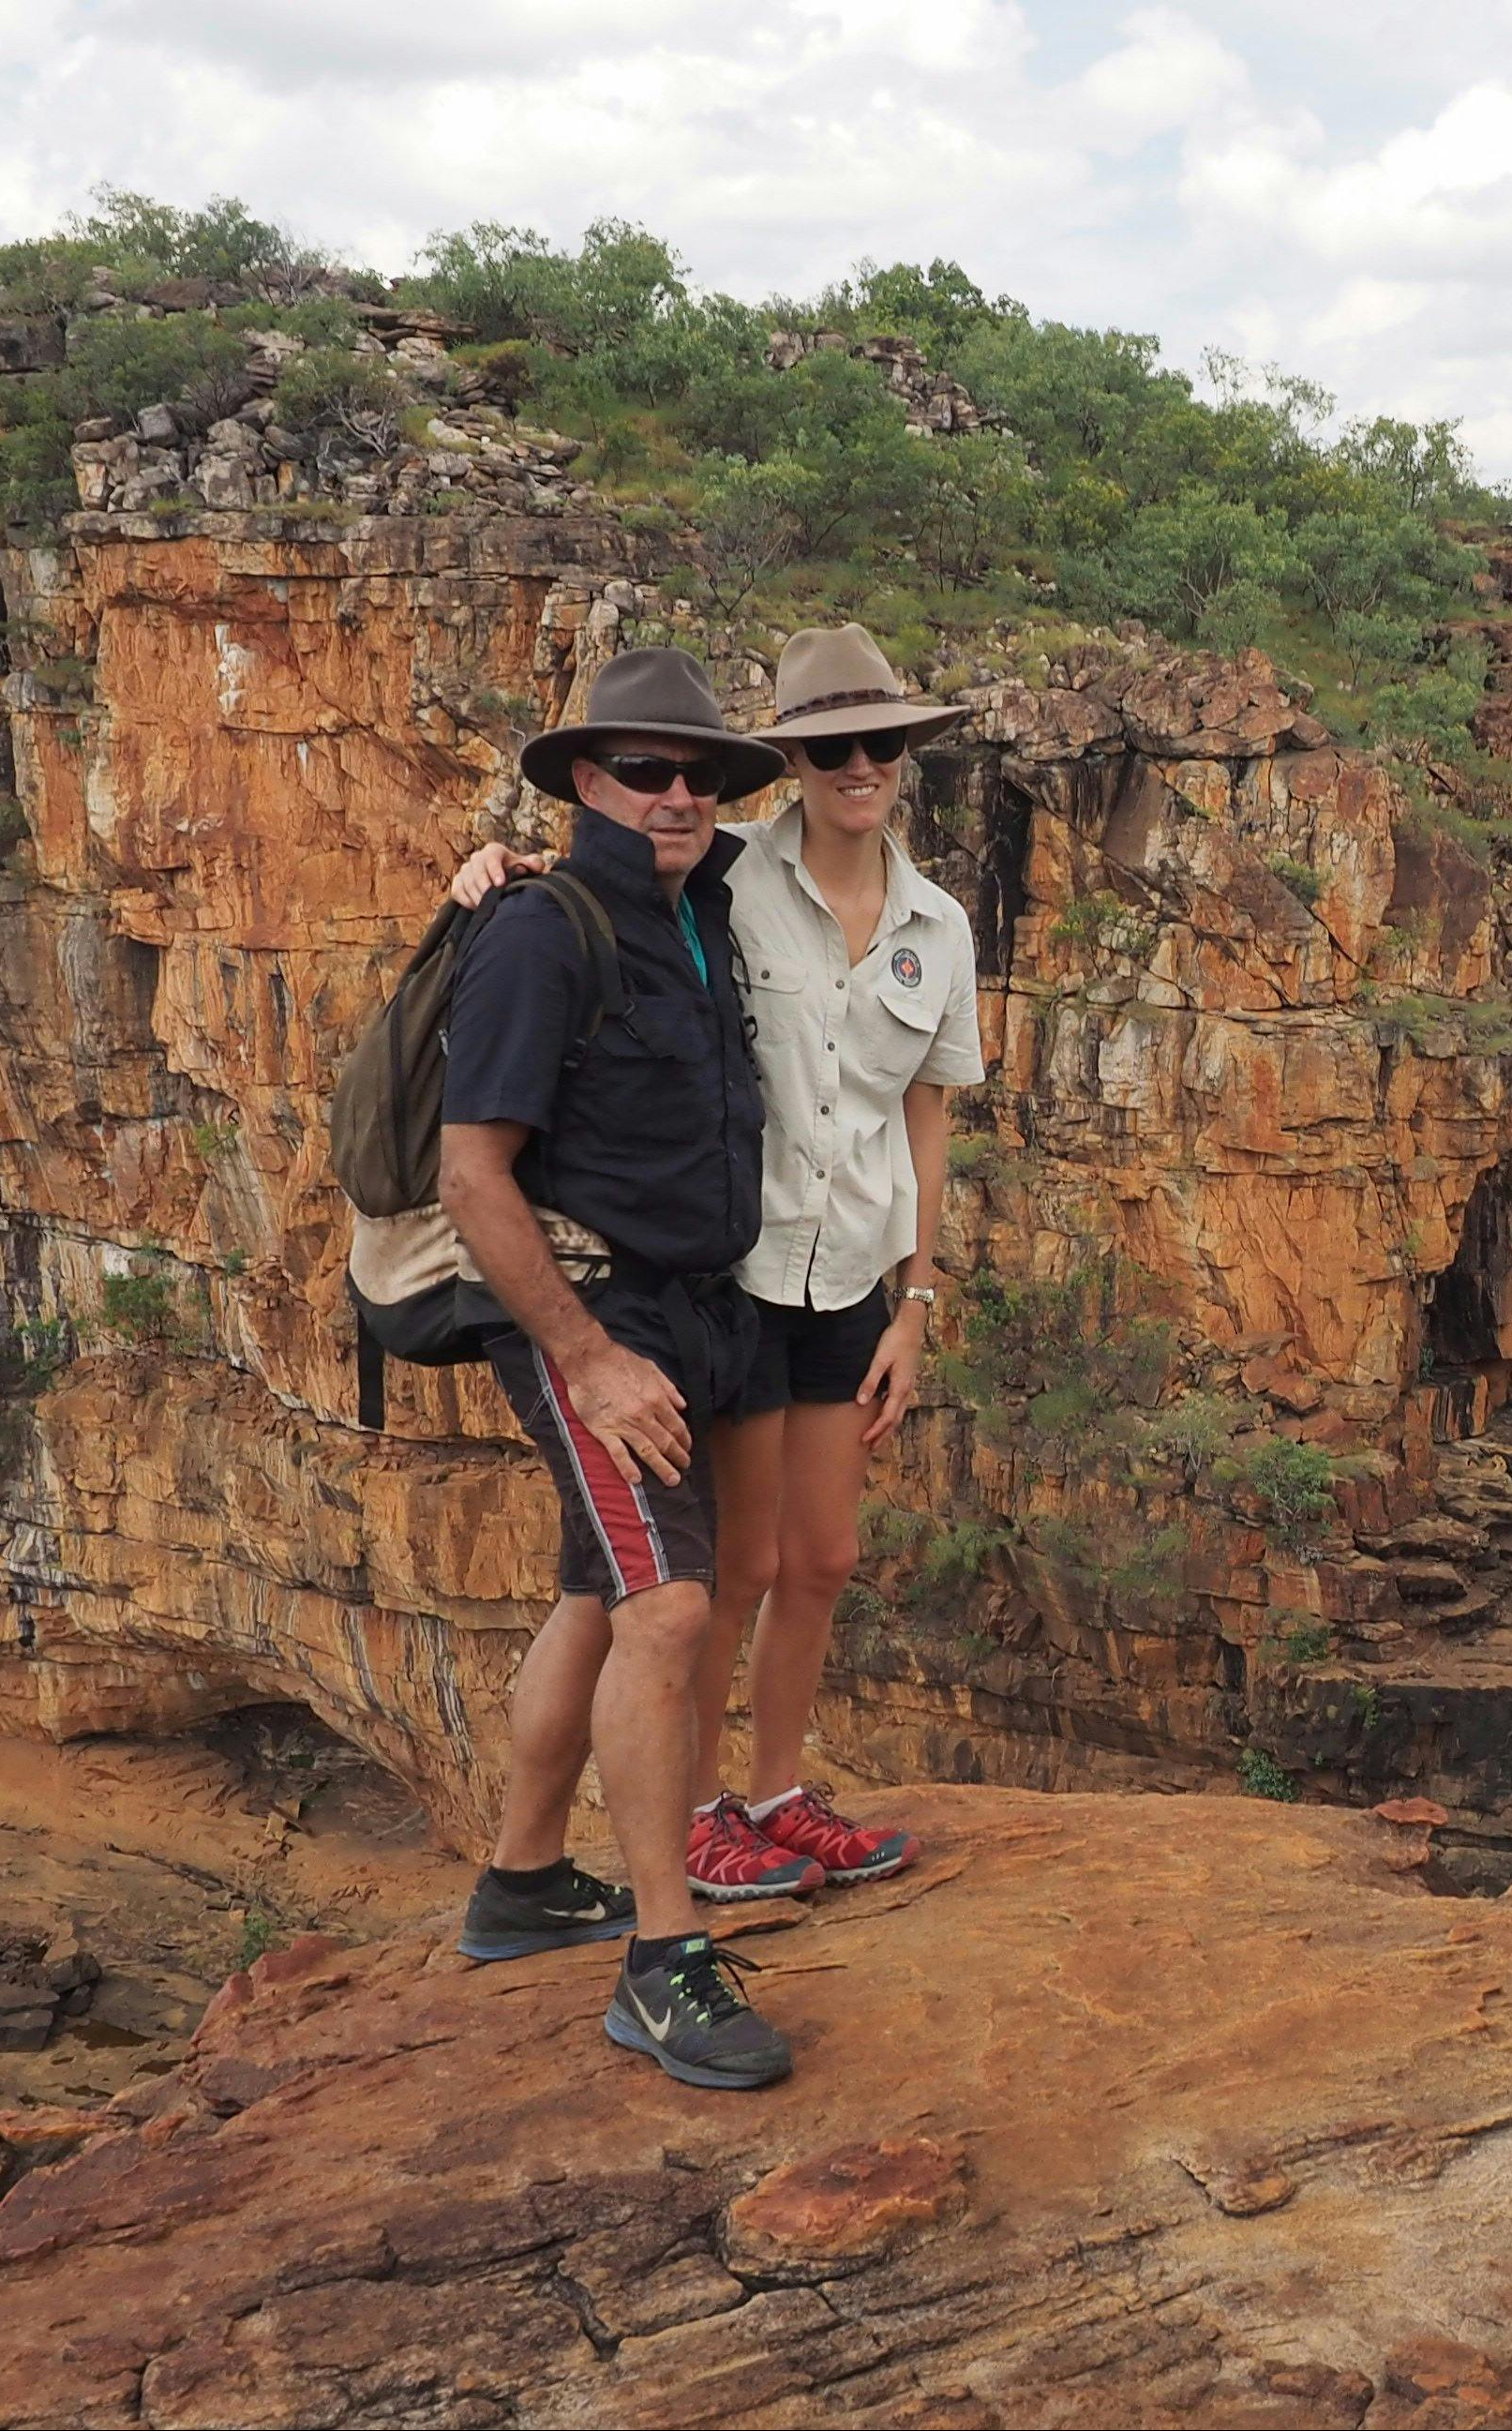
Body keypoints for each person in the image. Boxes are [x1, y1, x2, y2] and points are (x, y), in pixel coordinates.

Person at [455, 624, 981, 1902]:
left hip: (854, 1273)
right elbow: (596, 886)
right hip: (735, 1280)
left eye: (882, 741)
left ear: (906, 754)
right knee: (720, 1571)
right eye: (831, 746)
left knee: (822, 1559)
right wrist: (488, 867)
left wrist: (920, 1295)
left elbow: (927, 1110)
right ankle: (691, 1818)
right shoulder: (729, 881)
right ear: (793, 761)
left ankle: (778, 1789)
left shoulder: (938, 925)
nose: (861, 765)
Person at [436, 645, 798, 2091]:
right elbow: (474, 1176)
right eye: (643, 768)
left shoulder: (698, 904)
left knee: (598, 1589)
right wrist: (586, 1361)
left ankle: (524, 1884)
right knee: (671, 1607)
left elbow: (836, 839)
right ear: (585, 778)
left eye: (699, 772)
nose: (676, 793)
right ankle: (663, 1961)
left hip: (699, 1311)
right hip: (596, 1318)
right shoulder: (541, 929)